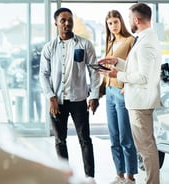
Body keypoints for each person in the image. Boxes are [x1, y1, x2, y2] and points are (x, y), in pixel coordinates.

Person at [98, 3, 162, 184]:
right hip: (138, 101)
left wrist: (116, 74)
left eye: (128, 19)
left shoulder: (145, 43)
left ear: (136, 20)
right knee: (145, 147)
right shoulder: (144, 38)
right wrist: (117, 62)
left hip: (140, 103)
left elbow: (143, 77)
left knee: (146, 148)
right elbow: (137, 68)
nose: (127, 22)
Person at [39, 7, 101, 181]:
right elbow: (43, 74)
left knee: (85, 139)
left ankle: (90, 177)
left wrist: (94, 95)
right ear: (56, 23)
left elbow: (94, 71)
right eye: (63, 20)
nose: (67, 23)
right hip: (57, 101)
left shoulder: (85, 44)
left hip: (79, 100)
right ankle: (63, 176)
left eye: (69, 20)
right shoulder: (49, 48)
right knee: (60, 140)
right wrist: (51, 97)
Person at [102, 10, 138, 184]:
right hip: (109, 92)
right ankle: (119, 174)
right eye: (110, 23)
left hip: (122, 92)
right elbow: (107, 71)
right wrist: (99, 92)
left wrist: (127, 86)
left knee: (125, 136)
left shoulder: (131, 41)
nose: (113, 26)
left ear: (121, 22)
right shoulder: (110, 42)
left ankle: (130, 176)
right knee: (113, 136)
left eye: (115, 22)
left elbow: (134, 68)